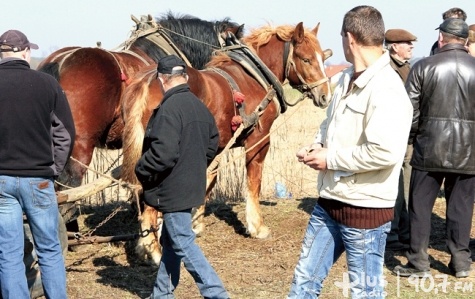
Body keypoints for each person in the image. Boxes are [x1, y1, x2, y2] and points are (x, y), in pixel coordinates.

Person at [287, 6, 413, 298]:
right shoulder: (344, 78)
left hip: (365, 214)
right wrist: (317, 145)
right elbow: (329, 124)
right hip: (329, 204)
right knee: (304, 282)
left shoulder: (387, 90)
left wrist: (329, 158)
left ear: (350, 38)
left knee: (365, 293)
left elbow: (385, 153)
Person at [135, 55, 229, 299]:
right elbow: (212, 143)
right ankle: (162, 294)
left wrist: (141, 169)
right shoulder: (200, 108)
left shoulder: (168, 110)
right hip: (190, 187)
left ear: (162, 80)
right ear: (185, 77)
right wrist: (194, 165)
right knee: (171, 244)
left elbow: (163, 155)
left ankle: (217, 294)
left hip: (172, 190)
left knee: (183, 243)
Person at [393, 18, 475, 279]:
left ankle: (418, 262)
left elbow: (410, 112)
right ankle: (461, 262)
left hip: (429, 148)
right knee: (461, 207)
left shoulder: (423, 66)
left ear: (441, 38)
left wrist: (416, 137)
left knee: (420, 206)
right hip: (469, 151)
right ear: (465, 40)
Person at [0, 30, 75, 298]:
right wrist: (53, 168)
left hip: (1, 183)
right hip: (39, 179)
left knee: (8, 253)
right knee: (49, 248)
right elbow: (65, 133)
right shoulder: (47, 84)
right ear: (26, 52)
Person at [384, 28, 417, 251]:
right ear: (395, 46)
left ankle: (405, 231)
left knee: (408, 184)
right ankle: (393, 232)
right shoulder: (386, 69)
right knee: (394, 185)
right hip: (393, 134)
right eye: (408, 43)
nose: (412, 47)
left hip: (409, 134)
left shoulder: (407, 67)